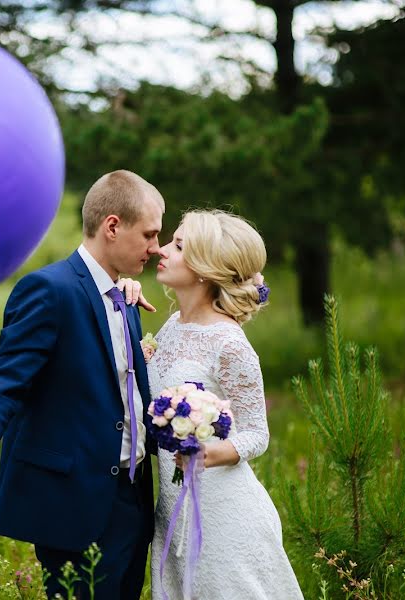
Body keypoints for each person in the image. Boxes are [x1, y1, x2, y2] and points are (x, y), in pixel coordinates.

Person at [0, 169, 165, 599]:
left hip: (133, 497)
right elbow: (3, 383)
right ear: (112, 226)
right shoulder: (49, 290)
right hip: (74, 500)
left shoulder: (127, 296)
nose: (156, 248)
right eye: (150, 235)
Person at [142, 209, 303, 599]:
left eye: (178, 245)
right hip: (172, 508)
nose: (162, 249)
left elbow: (256, 435)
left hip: (222, 516)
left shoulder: (229, 345)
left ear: (203, 268)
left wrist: (208, 454)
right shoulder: (172, 326)